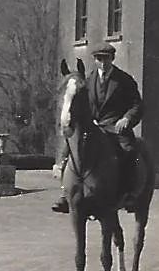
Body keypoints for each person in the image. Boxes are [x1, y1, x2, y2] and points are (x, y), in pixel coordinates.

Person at [51, 42, 144, 213]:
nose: (102, 62)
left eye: (106, 58)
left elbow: (137, 105)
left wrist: (126, 119)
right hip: (93, 126)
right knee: (70, 148)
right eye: (99, 59)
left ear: (112, 58)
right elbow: (82, 105)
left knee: (129, 151)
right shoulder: (87, 81)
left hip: (116, 127)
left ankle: (129, 192)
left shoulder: (124, 80)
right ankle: (66, 193)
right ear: (94, 60)